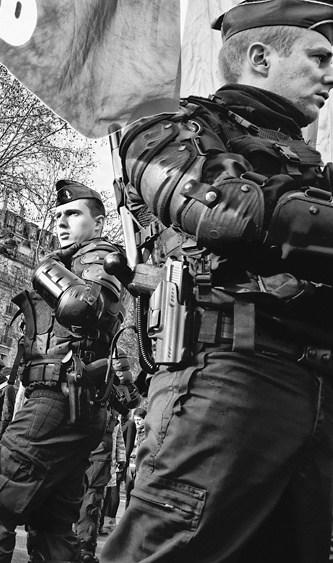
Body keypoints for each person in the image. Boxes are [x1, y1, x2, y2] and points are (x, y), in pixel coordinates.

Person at [102, 2, 333, 561]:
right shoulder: (171, 126)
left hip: (314, 391)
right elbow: (224, 207)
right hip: (227, 380)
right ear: (259, 56)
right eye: (319, 57)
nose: (331, 74)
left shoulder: (314, 166)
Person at [0, 180, 127, 563]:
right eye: (58, 216)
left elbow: (84, 306)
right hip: (73, 405)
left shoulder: (97, 254)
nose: (62, 224)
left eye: (73, 215)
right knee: (54, 526)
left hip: (56, 401)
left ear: (98, 223)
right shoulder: (82, 259)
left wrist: (47, 270)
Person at [75, 354, 140, 563]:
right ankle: (82, 547)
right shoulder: (110, 353)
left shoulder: (106, 355)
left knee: (86, 494)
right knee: (90, 495)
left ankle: (78, 546)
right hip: (99, 432)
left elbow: (130, 399)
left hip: (89, 429)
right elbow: (130, 399)